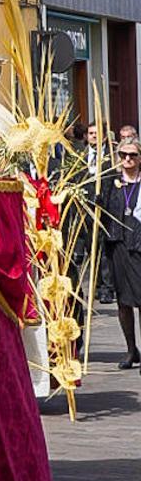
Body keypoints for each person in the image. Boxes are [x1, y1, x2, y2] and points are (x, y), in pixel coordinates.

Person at [99, 141, 141, 369]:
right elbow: (103, 214)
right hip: (118, 246)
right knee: (124, 301)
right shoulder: (110, 183)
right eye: (123, 155)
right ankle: (131, 349)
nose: (128, 159)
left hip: (139, 246)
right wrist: (97, 203)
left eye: (132, 155)